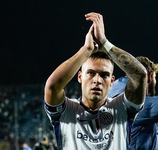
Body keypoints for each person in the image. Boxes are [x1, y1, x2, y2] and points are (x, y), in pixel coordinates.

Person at [44, 12, 147, 150]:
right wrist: (86, 50)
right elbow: (52, 86)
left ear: (112, 81)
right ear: (80, 77)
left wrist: (104, 42)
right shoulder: (66, 111)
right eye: (91, 73)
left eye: (104, 75)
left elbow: (140, 75)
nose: (97, 80)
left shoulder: (122, 109)